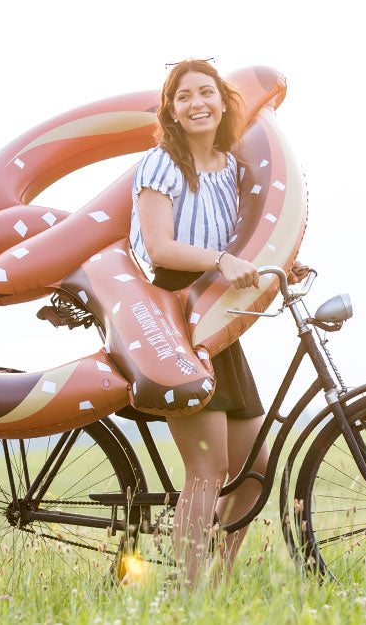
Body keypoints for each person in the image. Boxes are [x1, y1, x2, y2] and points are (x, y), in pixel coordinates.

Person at [128, 59, 304, 586]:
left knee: (253, 468)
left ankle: (217, 584)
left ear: (224, 102)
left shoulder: (229, 165)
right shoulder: (160, 164)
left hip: (217, 322)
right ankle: (188, 594)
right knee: (207, 470)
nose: (197, 103)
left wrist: (278, 263)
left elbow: (241, 238)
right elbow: (158, 247)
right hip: (173, 319)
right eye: (184, 96)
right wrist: (220, 261)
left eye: (206, 92)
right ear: (172, 110)